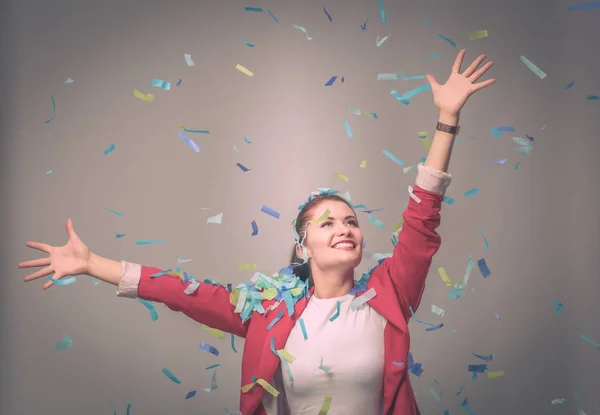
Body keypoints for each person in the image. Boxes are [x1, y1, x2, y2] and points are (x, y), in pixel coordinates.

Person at [18, 49, 495, 415]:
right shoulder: (266, 310)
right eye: (326, 223)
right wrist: (89, 263)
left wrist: (447, 119)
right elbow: (181, 292)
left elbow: (421, 218)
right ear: (301, 245)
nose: (344, 228)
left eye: (351, 220)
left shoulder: (391, 293)